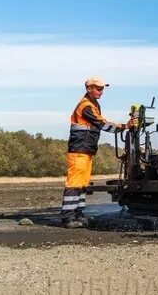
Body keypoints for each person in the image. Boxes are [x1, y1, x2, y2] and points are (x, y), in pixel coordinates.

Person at [61, 77, 135, 228]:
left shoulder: (94, 104)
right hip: (79, 150)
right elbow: (103, 124)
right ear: (89, 89)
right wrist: (124, 126)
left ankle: (78, 214)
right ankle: (68, 218)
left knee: (82, 184)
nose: (102, 91)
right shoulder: (86, 106)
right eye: (99, 89)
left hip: (86, 150)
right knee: (74, 184)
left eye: (102, 89)